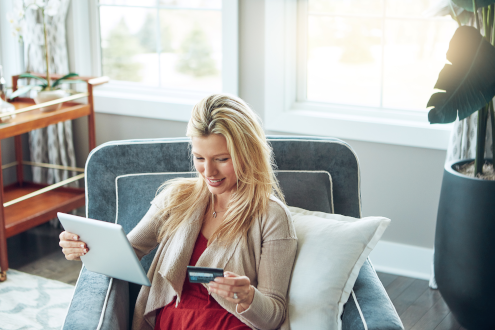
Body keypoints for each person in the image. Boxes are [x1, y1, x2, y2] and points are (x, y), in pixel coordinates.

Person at [59, 94, 297, 330]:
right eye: (199, 158)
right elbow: (127, 251)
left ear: (248, 154)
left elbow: (275, 314)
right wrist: (83, 246)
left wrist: (248, 297)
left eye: (222, 159)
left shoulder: (272, 216)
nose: (209, 171)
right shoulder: (177, 198)